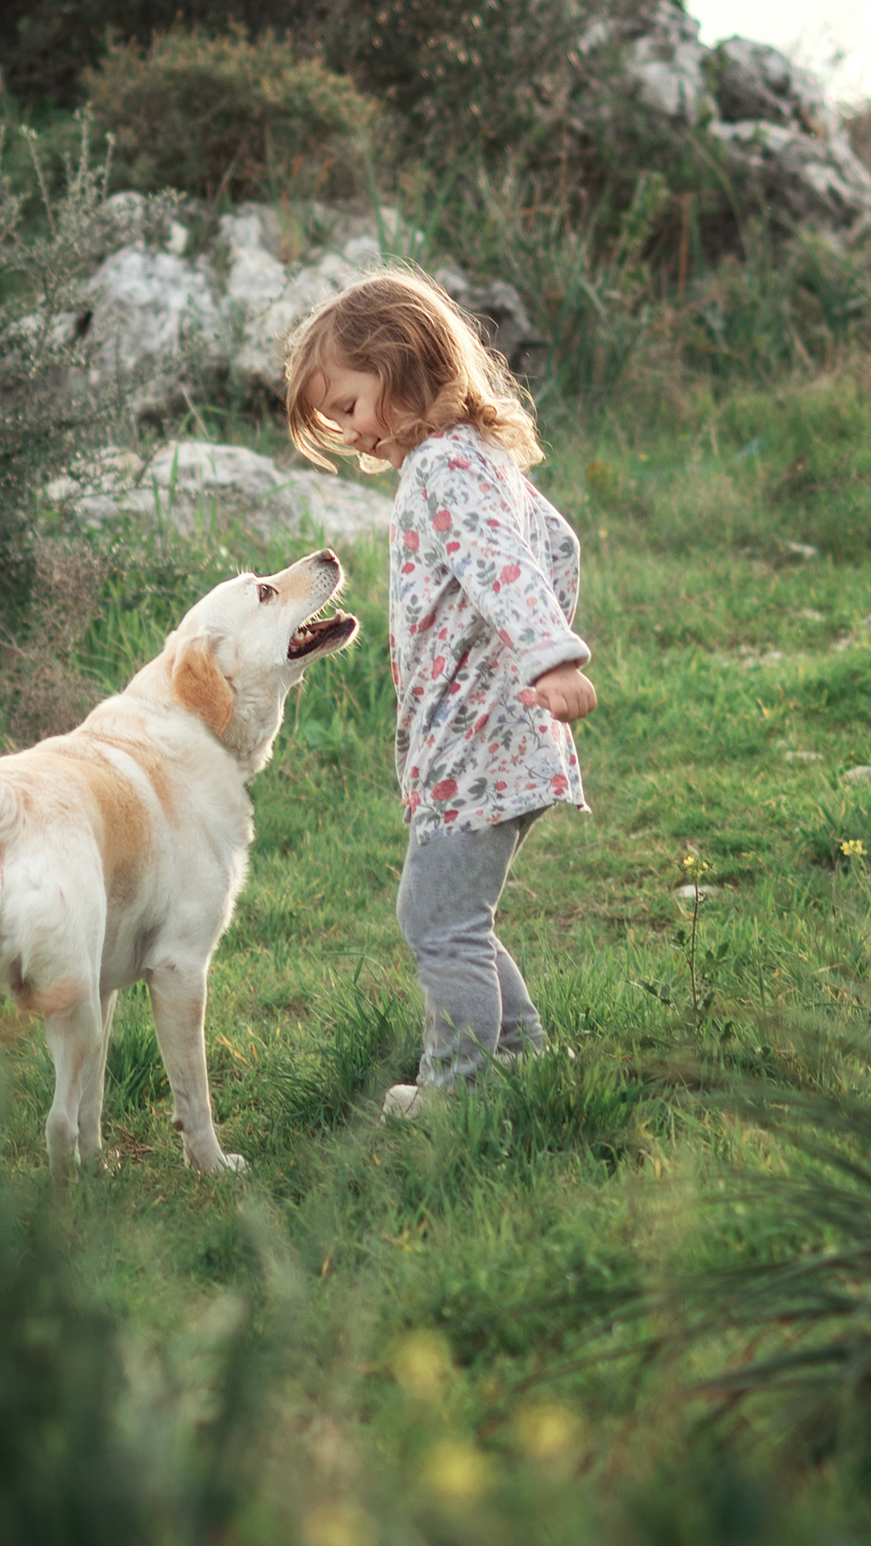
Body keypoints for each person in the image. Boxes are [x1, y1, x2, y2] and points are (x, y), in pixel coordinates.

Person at [282, 268, 596, 1112]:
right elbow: (555, 546)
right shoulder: (477, 457)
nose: (348, 433)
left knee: (438, 920)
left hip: (478, 744)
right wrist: (526, 656)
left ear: (406, 364)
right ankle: (524, 1057)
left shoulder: (442, 468)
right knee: (455, 912)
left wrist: (547, 656)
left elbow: (505, 565)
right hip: (493, 736)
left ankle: (455, 1100)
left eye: (348, 405)